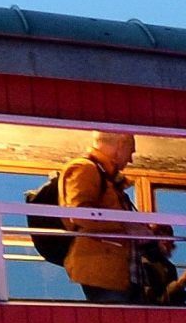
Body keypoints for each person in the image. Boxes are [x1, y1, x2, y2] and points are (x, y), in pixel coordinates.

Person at [45, 130, 179, 304]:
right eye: (131, 151)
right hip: (104, 274)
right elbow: (79, 214)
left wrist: (144, 235)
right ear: (121, 144)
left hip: (120, 274)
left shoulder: (106, 178)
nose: (130, 159)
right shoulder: (85, 168)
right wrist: (126, 227)